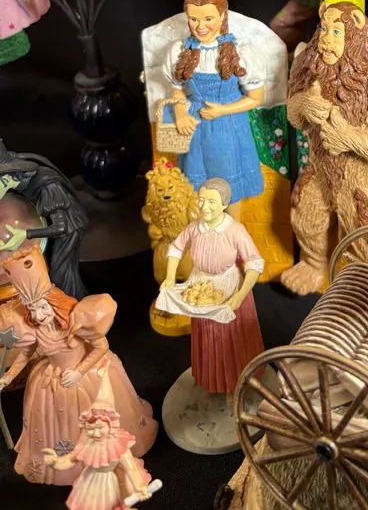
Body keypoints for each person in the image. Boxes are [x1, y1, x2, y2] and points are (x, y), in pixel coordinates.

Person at [0, 247, 156, 486]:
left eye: (43, 307)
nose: (39, 315)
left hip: (87, 374)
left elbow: (101, 347)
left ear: (54, 304)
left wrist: (79, 371)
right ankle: (69, 463)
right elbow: (26, 354)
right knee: (59, 427)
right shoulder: (36, 331)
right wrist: (9, 376)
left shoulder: (75, 321)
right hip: (52, 379)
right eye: (33, 310)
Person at [163, 0, 266, 218]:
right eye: (194, 19)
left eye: (208, 18)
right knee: (199, 187)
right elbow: (177, 89)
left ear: (222, 16)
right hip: (196, 127)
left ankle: (231, 230)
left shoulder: (240, 52)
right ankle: (205, 232)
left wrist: (222, 110)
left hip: (228, 128)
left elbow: (256, 98)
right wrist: (181, 113)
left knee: (228, 186)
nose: (200, 26)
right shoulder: (180, 51)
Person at [158, 178, 264, 397]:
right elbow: (176, 249)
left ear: (224, 204)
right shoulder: (194, 228)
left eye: (211, 202)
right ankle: (212, 380)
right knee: (207, 338)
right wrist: (169, 277)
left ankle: (233, 385)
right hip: (200, 285)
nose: (204, 206)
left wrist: (240, 295)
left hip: (229, 285)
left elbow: (254, 263)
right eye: (201, 200)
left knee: (229, 340)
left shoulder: (235, 231)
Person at [43, 356, 158, 509]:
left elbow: (130, 468)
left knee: (114, 501)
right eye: (91, 429)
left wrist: (139, 486)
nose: (96, 434)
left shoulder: (117, 446)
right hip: (92, 481)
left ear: (110, 426)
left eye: (100, 428)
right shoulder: (87, 443)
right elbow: (70, 459)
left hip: (111, 482)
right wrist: (55, 462)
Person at [0, 138, 89, 298]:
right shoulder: (23, 179)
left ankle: (71, 303)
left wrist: (24, 234)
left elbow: (61, 227)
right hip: (56, 226)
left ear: (8, 177)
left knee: (61, 274)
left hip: (68, 230)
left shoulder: (48, 187)